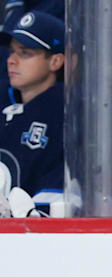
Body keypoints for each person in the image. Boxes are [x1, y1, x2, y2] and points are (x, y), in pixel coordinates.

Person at [0, 11, 66, 217]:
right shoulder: (6, 108)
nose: (12, 60)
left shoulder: (66, 115)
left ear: (55, 61)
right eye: (12, 52)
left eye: (25, 53)